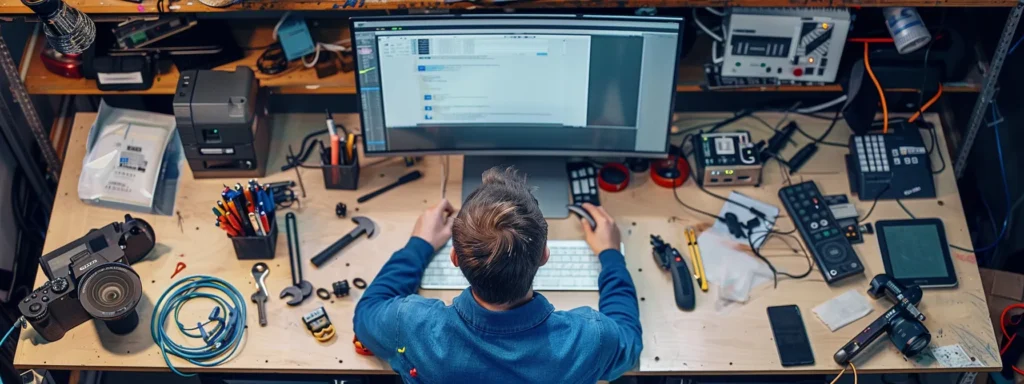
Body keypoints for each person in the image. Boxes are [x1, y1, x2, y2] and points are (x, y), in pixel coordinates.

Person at [353, 167, 642, 383]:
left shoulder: (411, 326)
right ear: (544, 255)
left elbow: (367, 314)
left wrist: (419, 245)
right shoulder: (589, 339)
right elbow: (629, 342)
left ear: (454, 258)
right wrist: (611, 255)